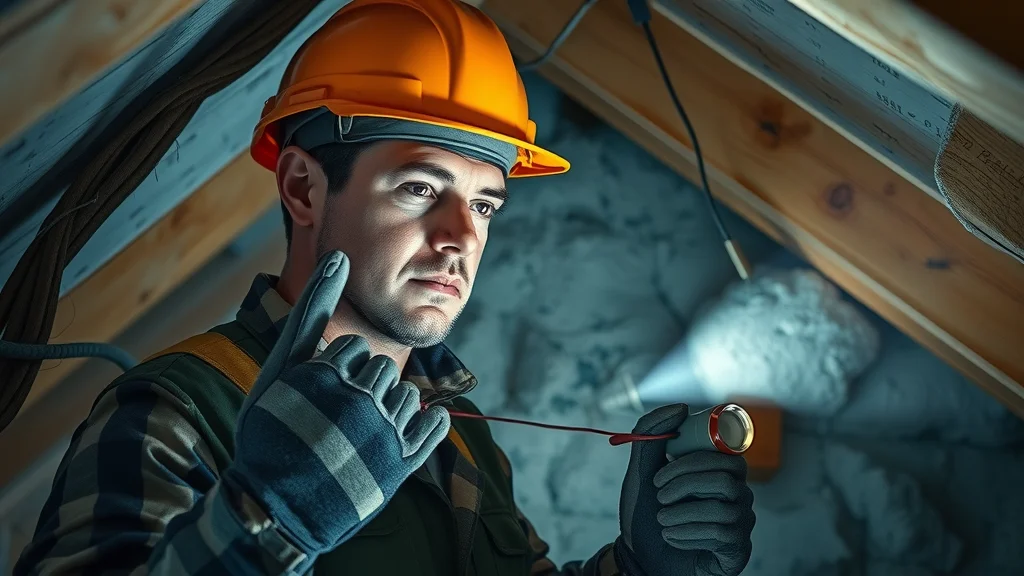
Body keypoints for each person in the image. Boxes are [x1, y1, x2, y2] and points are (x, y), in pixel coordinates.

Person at [14, 0, 755, 574]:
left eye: (485, 204)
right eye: (419, 187)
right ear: (304, 187)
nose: (462, 237)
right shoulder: (175, 408)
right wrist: (269, 520)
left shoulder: (456, 432)